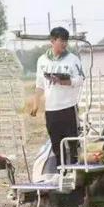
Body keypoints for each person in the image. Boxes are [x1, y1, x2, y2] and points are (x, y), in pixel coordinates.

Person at [30, 27, 84, 167]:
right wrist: (36, 104)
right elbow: (39, 84)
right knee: (55, 142)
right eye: (61, 41)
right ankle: (61, 170)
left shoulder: (73, 59)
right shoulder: (42, 60)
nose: (64, 44)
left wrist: (65, 81)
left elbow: (80, 79)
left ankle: (74, 168)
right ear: (52, 41)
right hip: (51, 109)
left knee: (72, 142)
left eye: (66, 41)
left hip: (68, 107)